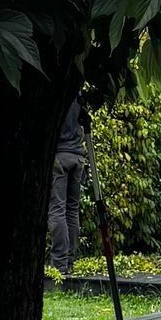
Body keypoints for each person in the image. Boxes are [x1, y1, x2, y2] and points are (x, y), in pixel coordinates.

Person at [48, 97, 89, 275]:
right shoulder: (78, 96)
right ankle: (70, 260)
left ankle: (59, 264)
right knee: (72, 210)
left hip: (59, 155)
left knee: (57, 209)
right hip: (78, 156)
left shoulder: (56, 95)